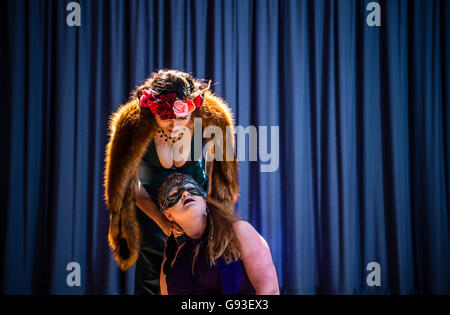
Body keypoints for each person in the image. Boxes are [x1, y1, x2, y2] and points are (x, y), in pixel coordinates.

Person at [104, 69, 240, 295]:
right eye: (166, 117)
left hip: (197, 209)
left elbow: (221, 168)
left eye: (183, 118)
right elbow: (129, 185)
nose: (175, 125)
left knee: (204, 273)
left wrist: (209, 205)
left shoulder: (210, 118)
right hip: (151, 210)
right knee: (154, 280)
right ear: (152, 111)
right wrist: (164, 223)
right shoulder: (132, 125)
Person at [157, 173, 279, 295]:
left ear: (205, 200)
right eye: (174, 194)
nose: (185, 194)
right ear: (168, 215)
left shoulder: (238, 231)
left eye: (191, 189)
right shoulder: (172, 259)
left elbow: (270, 291)